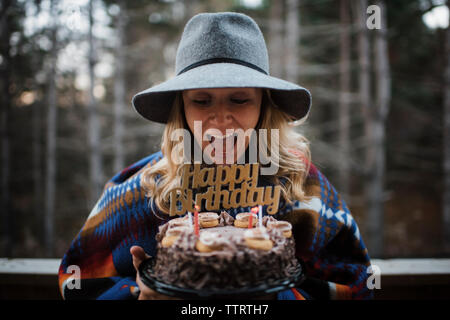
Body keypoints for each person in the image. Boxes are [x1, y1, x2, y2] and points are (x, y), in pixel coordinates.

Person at [58, 12, 373, 300]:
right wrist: (137, 296)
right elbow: (74, 282)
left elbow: (360, 286)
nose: (221, 119)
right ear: (181, 107)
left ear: (265, 105)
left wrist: (278, 297)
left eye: (239, 100)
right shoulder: (141, 186)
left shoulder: (303, 186)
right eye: (202, 101)